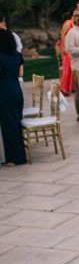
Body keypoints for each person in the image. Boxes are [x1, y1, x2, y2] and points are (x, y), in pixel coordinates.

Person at [0, 29, 27, 166]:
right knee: (15, 123)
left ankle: (16, 158)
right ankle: (17, 155)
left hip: (4, 91)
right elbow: (20, 72)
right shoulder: (16, 55)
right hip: (16, 89)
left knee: (9, 125)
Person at [57, 11, 75, 95]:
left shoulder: (73, 23)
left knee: (71, 67)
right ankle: (63, 88)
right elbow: (62, 34)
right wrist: (64, 47)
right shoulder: (68, 22)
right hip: (66, 46)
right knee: (67, 67)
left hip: (70, 47)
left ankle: (71, 87)